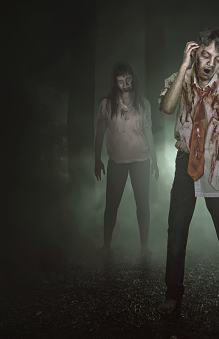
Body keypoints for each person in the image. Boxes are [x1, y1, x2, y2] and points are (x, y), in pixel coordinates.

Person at [158, 28, 219, 314]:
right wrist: (184, 66)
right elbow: (166, 107)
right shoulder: (180, 79)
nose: (210, 63)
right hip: (186, 161)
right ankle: (173, 294)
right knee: (176, 230)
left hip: (217, 162)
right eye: (205, 55)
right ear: (196, 53)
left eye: (218, 59)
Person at [94, 61, 159, 258]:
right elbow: (99, 133)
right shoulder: (106, 105)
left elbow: (149, 133)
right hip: (117, 162)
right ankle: (106, 245)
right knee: (112, 205)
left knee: (143, 204)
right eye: (121, 80)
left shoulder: (143, 104)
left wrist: (154, 161)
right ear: (115, 82)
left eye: (128, 79)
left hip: (141, 160)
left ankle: (143, 246)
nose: (125, 83)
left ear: (133, 79)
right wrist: (97, 159)